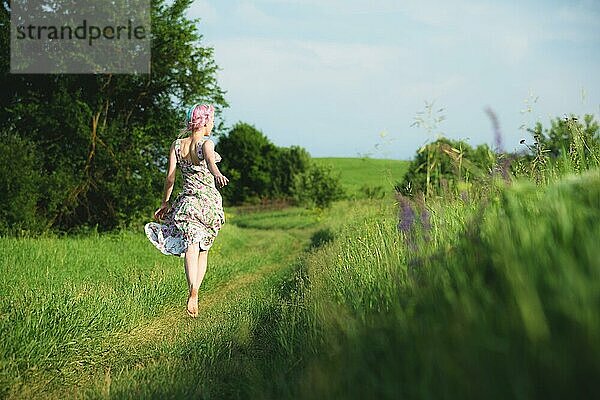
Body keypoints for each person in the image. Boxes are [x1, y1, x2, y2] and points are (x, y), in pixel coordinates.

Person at [144, 104, 229, 317]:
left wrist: (165, 203)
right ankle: (196, 291)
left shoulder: (177, 145)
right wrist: (217, 174)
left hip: (188, 202)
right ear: (205, 122)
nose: (213, 124)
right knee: (203, 250)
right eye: (212, 120)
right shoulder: (206, 143)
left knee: (190, 248)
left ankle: (191, 290)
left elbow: (170, 178)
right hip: (207, 203)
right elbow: (210, 162)